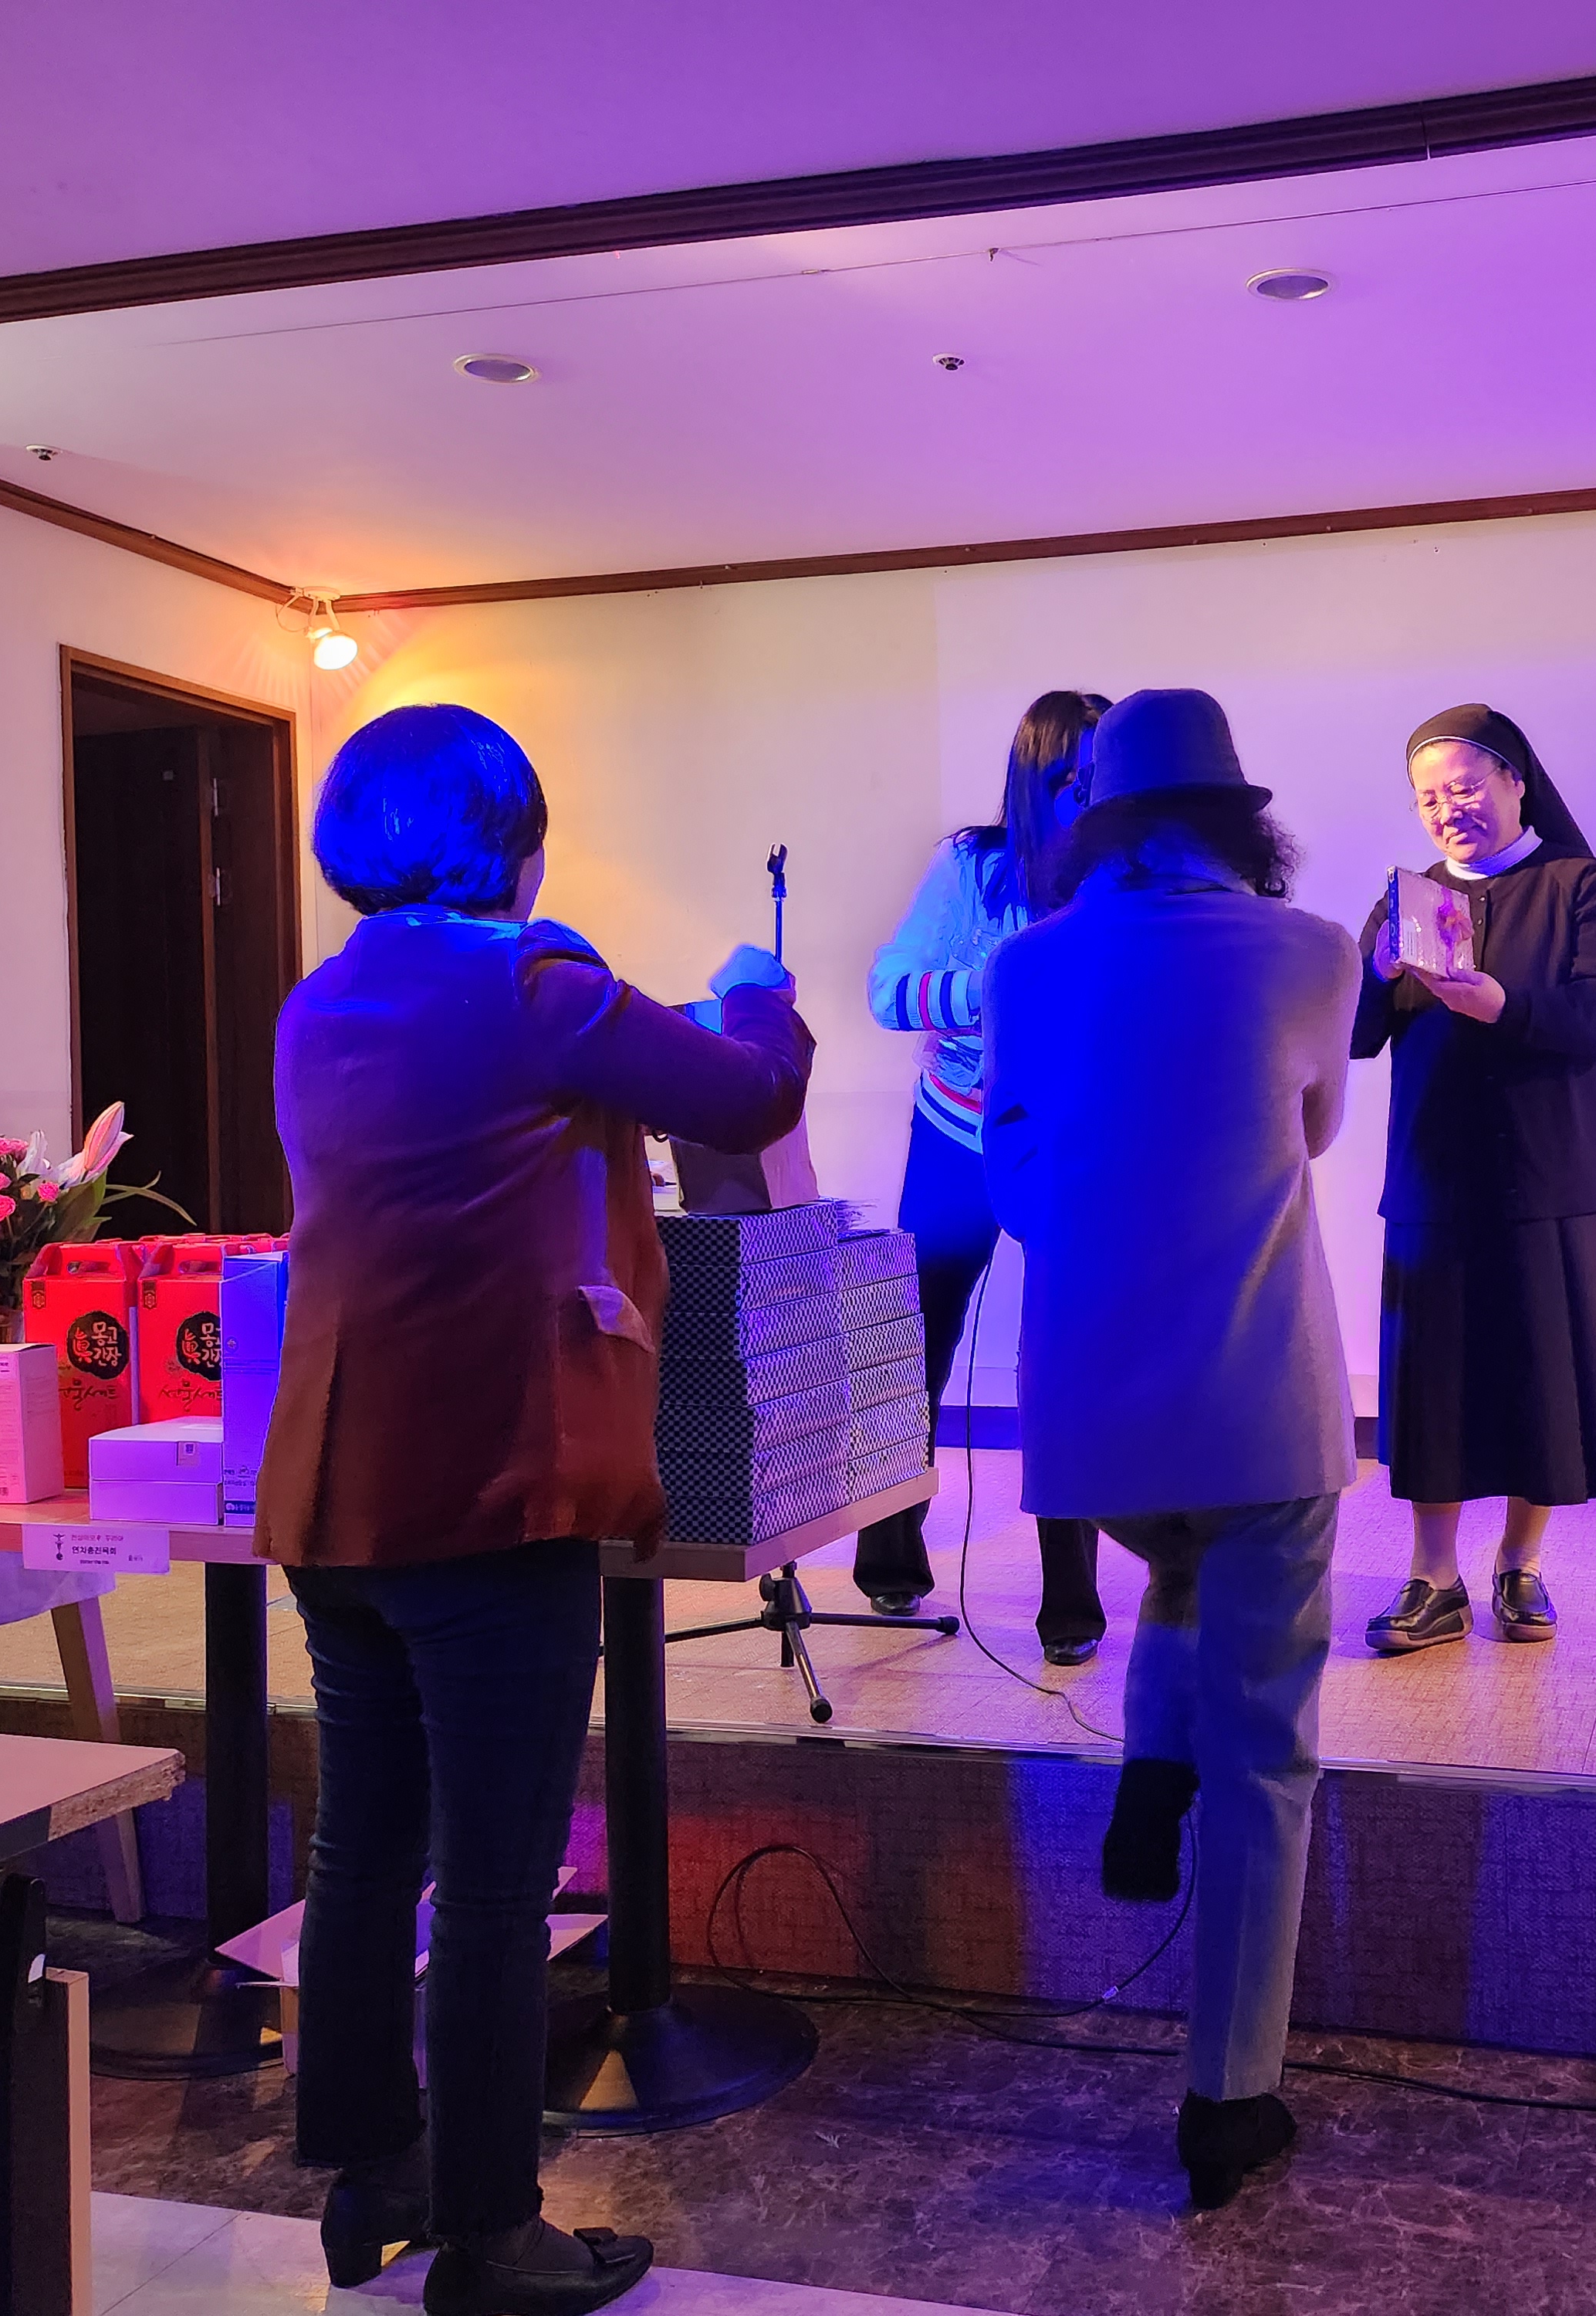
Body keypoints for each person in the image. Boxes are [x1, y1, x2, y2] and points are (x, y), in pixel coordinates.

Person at [256, 703, 813, 2316]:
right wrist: (758, 993)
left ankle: (372, 2173)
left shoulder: (316, 999)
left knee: (363, 1848)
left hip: (338, 1490)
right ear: (510, 836)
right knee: (498, 1882)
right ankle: (494, 2235)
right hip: (492, 1490)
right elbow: (746, 1098)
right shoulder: (531, 985)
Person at [984, 688, 1359, 2210]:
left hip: (1090, 1422)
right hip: (1262, 1400)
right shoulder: (1311, 951)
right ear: (1238, 819)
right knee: (1266, 1751)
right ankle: (1228, 2100)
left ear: (1105, 823)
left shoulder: (1026, 962)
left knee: (1176, 1567)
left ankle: (1150, 1761)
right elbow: (1312, 1130)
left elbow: (1012, 1174)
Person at [1354, 703, 1596, 1656]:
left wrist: (1501, 1004)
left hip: (1559, 1175)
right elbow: (1355, 1036)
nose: (1447, 809)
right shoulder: (1408, 898)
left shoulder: (1579, 883)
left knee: (1543, 1377)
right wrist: (1375, 972)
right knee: (1434, 1385)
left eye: (1464, 787)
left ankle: (1520, 1563)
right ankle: (1432, 1578)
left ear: (1515, 781)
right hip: (1438, 1177)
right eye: (1429, 797)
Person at [854, 690, 1114, 1664]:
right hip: (957, 1131)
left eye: (1102, 779)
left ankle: (1071, 1604)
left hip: (1073, 1144)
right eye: (1070, 781)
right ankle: (889, 1560)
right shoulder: (972, 866)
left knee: (1066, 1360)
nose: (1088, 799)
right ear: (1032, 782)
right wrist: (994, 982)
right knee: (912, 1341)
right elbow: (888, 991)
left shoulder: (1130, 874)